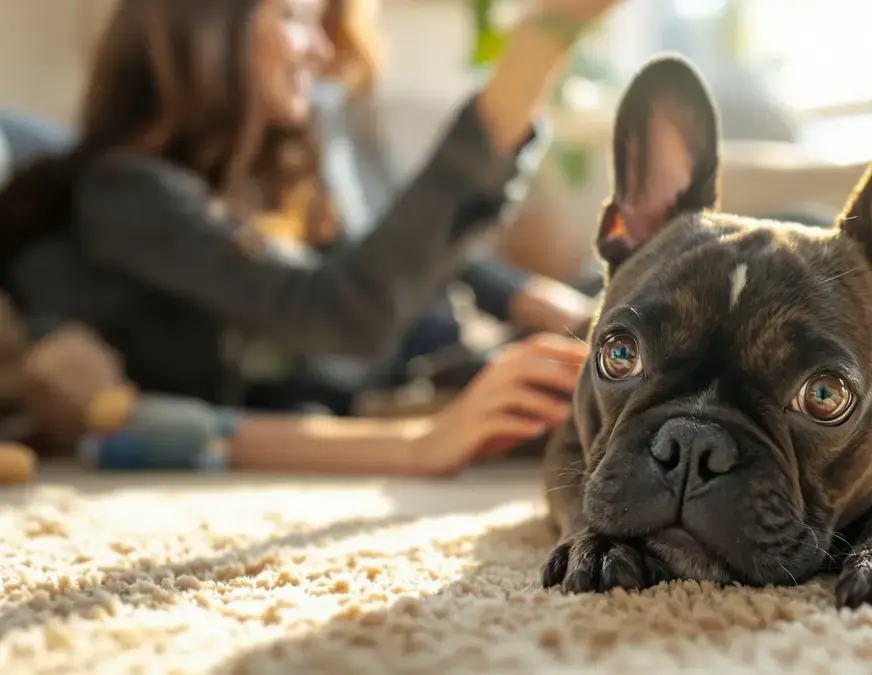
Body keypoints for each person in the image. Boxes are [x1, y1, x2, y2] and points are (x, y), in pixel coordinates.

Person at [0, 0, 622, 475]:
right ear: (210, 26)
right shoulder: (127, 193)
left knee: (635, 300)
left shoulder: (268, 175)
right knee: (618, 395)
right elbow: (341, 313)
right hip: (408, 376)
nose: (321, 53)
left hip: (432, 346)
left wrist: (523, 295)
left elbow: (382, 249)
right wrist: (541, 42)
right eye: (297, 16)